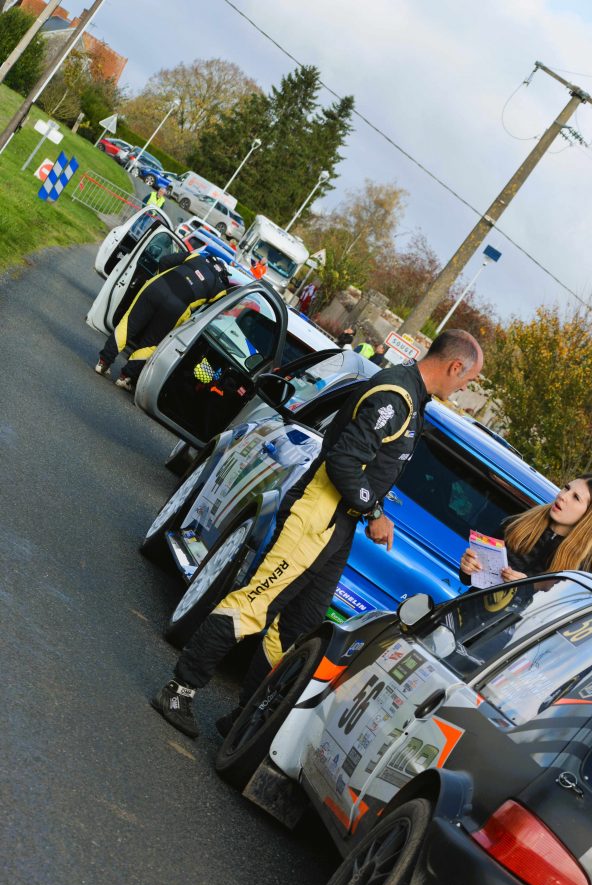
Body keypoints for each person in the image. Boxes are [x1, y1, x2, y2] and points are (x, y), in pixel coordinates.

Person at [150, 328, 484, 739]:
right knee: (255, 603)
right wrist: (375, 511)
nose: (466, 387)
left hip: (338, 526)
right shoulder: (395, 396)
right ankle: (180, 689)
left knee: (297, 627)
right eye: (469, 379)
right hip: (316, 514)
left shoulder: (412, 398)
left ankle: (242, 718)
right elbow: (344, 459)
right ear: (454, 366)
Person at [94, 251, 232, 391]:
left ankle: (103, 362)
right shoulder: (220, 290)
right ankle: (124, 377)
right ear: (222, 275)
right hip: (177, 307)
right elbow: (211, 313)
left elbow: (165, 260)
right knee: (151, 343)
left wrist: (163, 278)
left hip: (157, 287)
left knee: (128, 324)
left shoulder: (195, 257)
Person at [459, 475, 592, 586]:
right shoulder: (518, 524)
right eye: (566, 488)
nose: (563, 496)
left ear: (589, 517)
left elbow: (550, 621)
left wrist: (524, 590)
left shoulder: (580, 570)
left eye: (576, 497)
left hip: (508, 633)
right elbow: (469, 579)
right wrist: (468, 567)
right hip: (460, 620)